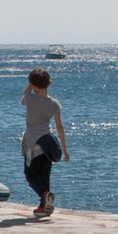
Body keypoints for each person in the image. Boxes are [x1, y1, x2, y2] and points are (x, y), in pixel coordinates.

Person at [22, 68, 69, 217]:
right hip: (48, 142)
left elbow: (24, 94)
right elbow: (59, 127)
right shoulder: (54, 103)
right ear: (49, 83)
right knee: (44, 175)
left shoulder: (30, 99)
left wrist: (30, 84)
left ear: (33, 85)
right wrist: (65, 149)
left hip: (33, 143)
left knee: (30, 175)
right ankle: (44, 206)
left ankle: (44, 194)